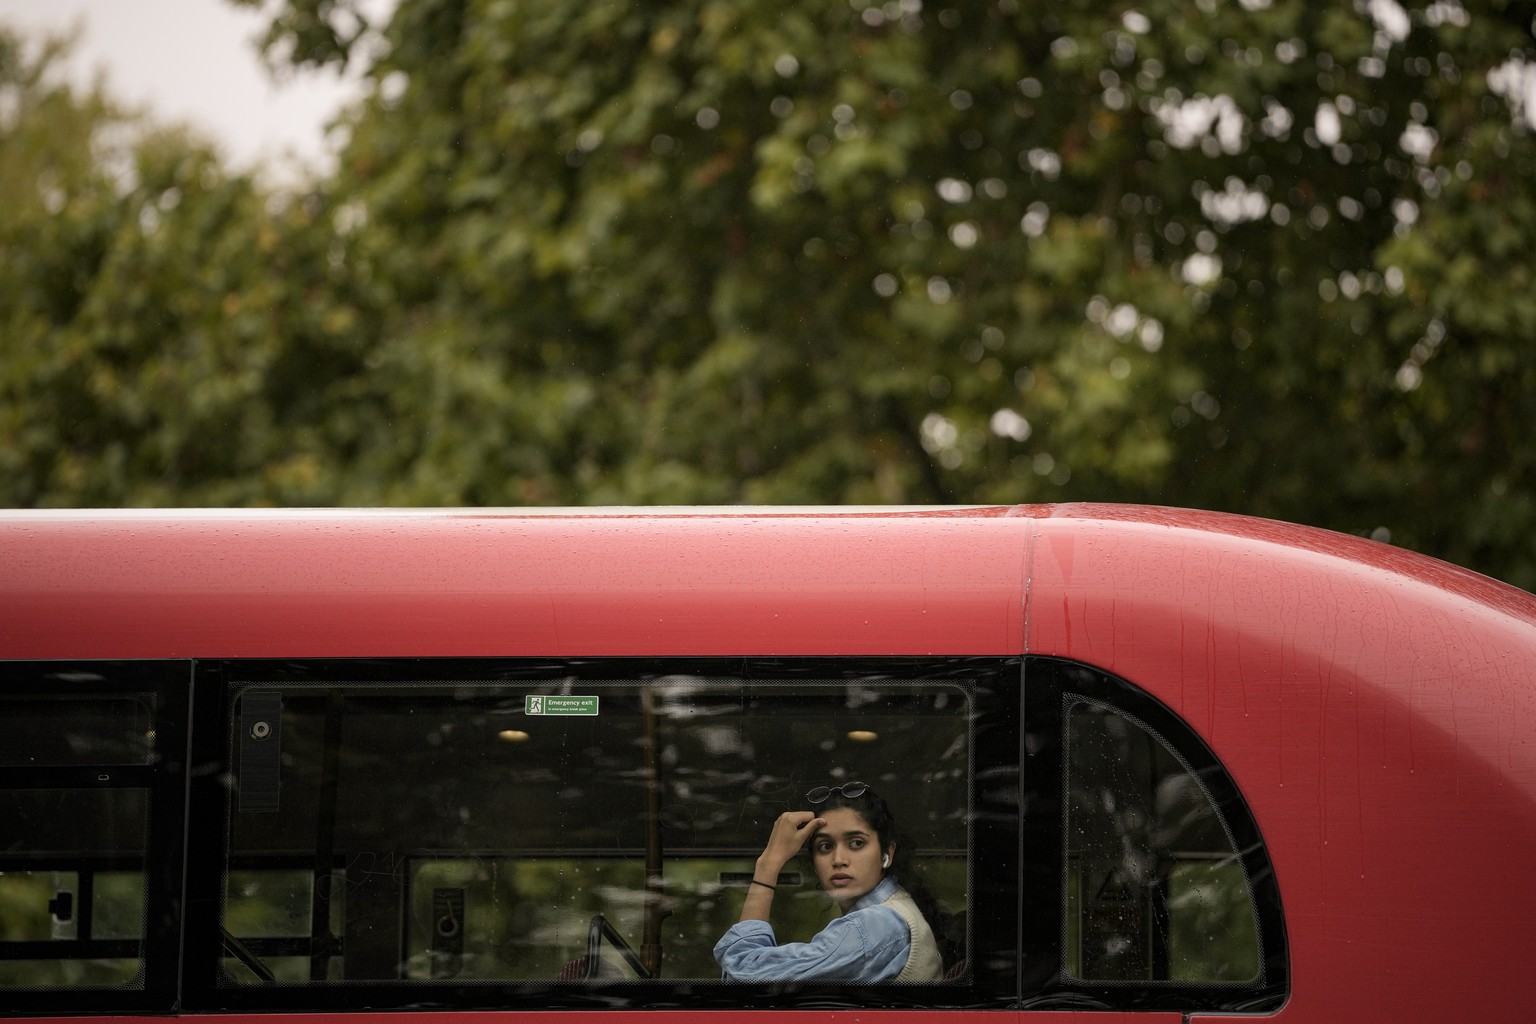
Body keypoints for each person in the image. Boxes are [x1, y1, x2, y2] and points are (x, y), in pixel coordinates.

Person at [713, 782, 945, 982]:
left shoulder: (876, 924)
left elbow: (742, 977)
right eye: (825, 846)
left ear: (887, 853)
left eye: (856, 843)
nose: (838, 860)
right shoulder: (892, 910)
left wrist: (768, 865)